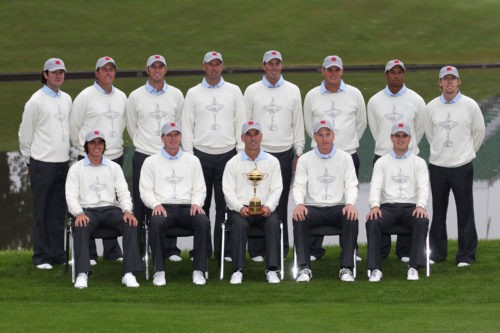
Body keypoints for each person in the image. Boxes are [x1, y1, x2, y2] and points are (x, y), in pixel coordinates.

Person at [181, 51, 246, 261]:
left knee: (225, 206)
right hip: (200, 155)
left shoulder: (234, 91)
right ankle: (202, 250)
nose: (214, 68)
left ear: (222, 66)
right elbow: (187, 125)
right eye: (211, 64)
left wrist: (240, 152)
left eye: (218, 64)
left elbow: (240, 122)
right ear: (204, 66)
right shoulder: (193, 93)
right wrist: (189, 156)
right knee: (201, 204)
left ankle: (223, 251)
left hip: (227, 154)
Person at [303, 54, 366, 261]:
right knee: (315, 199)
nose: (333, 73)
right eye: (329, 69)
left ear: (342, 71)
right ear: (323, 71)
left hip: (347, 155)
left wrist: (343, 145)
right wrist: (323, 143)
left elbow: (361, 123)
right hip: (318, 157)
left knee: (348, 201)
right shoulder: (312, 95)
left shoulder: (354, 93)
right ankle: (313, 249)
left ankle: (350, 248)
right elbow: (307, 124)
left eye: (336, 69)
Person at [243, 50, 305, 260]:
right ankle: (257, 249)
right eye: (270, 64)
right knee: (256, 199)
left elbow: (298, 123)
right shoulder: (252, 90)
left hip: (284, 153)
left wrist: (299, 152)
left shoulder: (293, 90)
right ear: (263, 66)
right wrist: (244, 152)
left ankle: (280, 247)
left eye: (277, 64)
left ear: (281, 66)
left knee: (280, 200)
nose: (274, 67)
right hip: (258, 153)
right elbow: (246, 122)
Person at [125, 54, 184, 261]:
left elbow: (179, 124)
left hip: (169, 156)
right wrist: (144, 144)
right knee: (142, 204)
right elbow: (132, 126)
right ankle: (141, 249)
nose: (157, 70)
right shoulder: (135, 96)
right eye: (154, 67)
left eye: (161, 67)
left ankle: (170, 249)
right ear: (147, 70)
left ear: (165, 70)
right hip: (144, 154)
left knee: (169, 199)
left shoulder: (176, 95)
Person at [425, 66, 485, 267]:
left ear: (459, 82)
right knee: (438, 211)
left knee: (465, 211)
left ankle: (466, 255)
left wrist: (468, 153)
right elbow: (429, 133)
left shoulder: (470, 105)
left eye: (453, 79)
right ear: (440, 83)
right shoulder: (431, 107)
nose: (449, 82)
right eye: (445, 79)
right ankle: (437, 253)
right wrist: (441, 152)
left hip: (461, 165)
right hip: (438, 166)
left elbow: (479, 132)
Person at [367, 59, 427, 261]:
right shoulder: (375, 100)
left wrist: (404, 144)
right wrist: (389, 144)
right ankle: (381, 250)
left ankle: (405, 251)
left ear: (404, 74)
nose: (396, 76)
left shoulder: (416, 100)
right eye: (392, 72)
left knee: (407, 199)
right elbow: (375, 129)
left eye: (399, 72)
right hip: (383, 155)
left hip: (409, 156)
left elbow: (419, 128)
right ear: (386, 75)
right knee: (383, 202)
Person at [65, 130, 142, 289]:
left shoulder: (113, 167)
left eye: (100, 142)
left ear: (104, 146)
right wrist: (78, 213)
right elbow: (71, 196)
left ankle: (129, 274)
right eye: (93, 143)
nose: (97, 146)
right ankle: (82, 273)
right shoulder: (76, 168)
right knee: (81, 225)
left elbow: (123, 193)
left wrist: (127, 210)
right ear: (86, 146)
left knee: (130, 223)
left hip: (110, 210)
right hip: (87, 210)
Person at [69, 56, 126, 264]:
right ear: (97, 73)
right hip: (88, 157)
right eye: (104, 70)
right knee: (88, 202)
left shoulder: (121, 96)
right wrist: (82, 151)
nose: (108, 73)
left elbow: (126, 124)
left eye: (111, 69)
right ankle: (90, 252)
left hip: (113, 157)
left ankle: (112, 251)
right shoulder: (85, 96)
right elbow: (74, 126)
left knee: (111, 202)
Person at [139, 122, 210, 286]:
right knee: (155, 222)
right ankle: (159, 270)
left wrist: (197, 203)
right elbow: (145, 190)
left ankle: (199, 270)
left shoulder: (193, 161)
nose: (173, 138)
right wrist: (155, 204)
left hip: (187, 207)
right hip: (163, 207)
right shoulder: (151, 162)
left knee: (203, 221)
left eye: (176, 135)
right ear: (162, 138)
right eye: (169, 135)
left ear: (181, 137)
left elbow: (200, 188)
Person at [19, 58, 72, 269]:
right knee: (42, 210)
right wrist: (28, 159)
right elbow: (25, 133)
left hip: (62, 162)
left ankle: (58, 254)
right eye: (54, 72)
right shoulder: (36, 101)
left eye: (61, 72)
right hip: (42, 162)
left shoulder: (67, 98)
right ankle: (41, 256)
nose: (58, 75)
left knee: (59, 211)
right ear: (45, 75)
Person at [292, 120, 359, 283]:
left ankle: (346, 268)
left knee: (351, 216)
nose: (324, 138)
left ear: (333, 135)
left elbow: (351, 184)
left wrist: (350, 203)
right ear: (314, 137)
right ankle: (303, 268)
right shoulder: (306, 159)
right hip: (313, 208)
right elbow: (298, 185)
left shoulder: (345, 158)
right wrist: (299, 204)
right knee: (299, 216)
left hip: (338, 208)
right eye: (320, 135)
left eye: (327, 134)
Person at [366, 122, 429, 282]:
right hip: (388, 208)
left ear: (410, 139)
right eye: (397, 136)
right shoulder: (382, 162)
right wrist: (374, 205)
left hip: (411, 207)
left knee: (422, 219)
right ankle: (375, 269)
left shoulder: (419, 162)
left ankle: (414, 267)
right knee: (373, 220)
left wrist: (421, 205)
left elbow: (423, 187)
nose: (401, 139)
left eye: (404, 136)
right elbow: (375, 186)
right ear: (391, 138)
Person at [222, 121, 283, 284]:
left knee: (272, 223)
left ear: (261, 136)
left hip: (265, 209)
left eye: (256, 134)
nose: (252, 138)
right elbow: (228, 192)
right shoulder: (232, 163)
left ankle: (271, 269)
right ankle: (237, 270)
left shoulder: (272, 162)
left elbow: (277, 188)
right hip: (241, 210)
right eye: (248, 134)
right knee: (239, 225)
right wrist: (239, 208)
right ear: (242, 138)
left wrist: (269, 206)